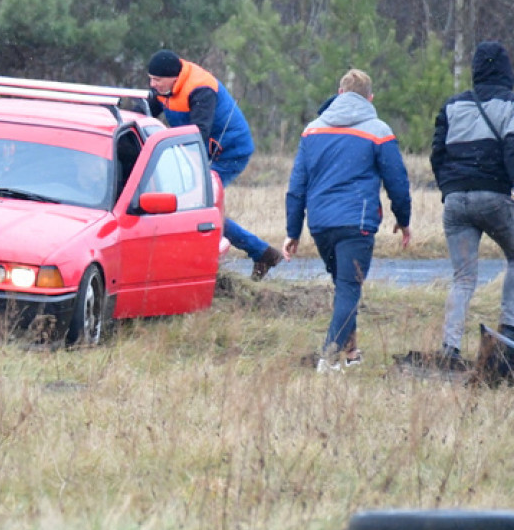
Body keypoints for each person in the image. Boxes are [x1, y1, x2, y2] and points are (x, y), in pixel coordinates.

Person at [283, 69, 412, 372]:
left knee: (344, 287)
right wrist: (403, 220)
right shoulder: (378, 130)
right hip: (358, 222)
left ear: (339, 93)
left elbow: (296, 186)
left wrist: (293, 231)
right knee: (348, 289)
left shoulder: (312, 130)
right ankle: (328, 358)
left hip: (320, 223)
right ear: (370, 98)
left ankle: (351, 354)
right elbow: (398, 182)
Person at [146, 49, 282, 280]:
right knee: (194, 206)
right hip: (201, 152)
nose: (152, 84)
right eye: (150, 79)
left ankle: (262, 253)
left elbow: (198, 135)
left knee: (199, 205)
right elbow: (146, 113)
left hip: (230, 151)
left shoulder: (201, 88)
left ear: (173, 76)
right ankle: (263, 253)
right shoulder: (163, 88)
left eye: (157, 80)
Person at [430, 40, 514, 368]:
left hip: (455, 201)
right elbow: (511, 151)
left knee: (463, 277)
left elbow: (437, 154)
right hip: (492, 197)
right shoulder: (510, 104)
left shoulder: (452, 106)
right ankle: (508, 332)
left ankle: (449, 348)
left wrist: (449, 189)